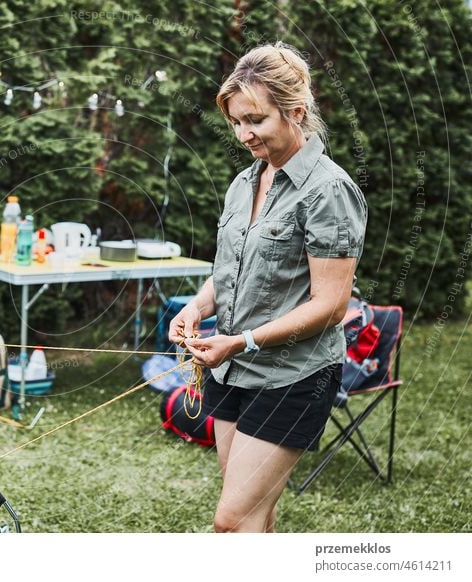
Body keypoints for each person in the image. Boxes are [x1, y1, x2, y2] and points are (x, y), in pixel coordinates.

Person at [168, 42, 367, 533]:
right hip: (233, 373)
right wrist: (196, 307)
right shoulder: (244, 182)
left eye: (255, 120)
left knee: (231, 522)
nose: (244, 134)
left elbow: (331, 304)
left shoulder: (329, 191)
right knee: (256, 516)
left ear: (295, 111)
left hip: (293, 377)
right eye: (236, 122)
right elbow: (230, 271)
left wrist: (241, 340)